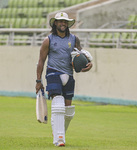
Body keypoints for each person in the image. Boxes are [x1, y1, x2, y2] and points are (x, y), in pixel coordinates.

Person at [35, 12, 93, 147]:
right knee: (58, 103)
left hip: (69, 75)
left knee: (68, 112)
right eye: (60, 21)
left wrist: (89, 65)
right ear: (55, 23)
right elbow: (41, 61)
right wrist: (38, 81)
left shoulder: (74, 39)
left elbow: (82, 57)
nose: (63, 24)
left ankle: (58, 133)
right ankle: (59, 139)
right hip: (53, 73)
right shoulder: (48, 40)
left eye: (65, 22)